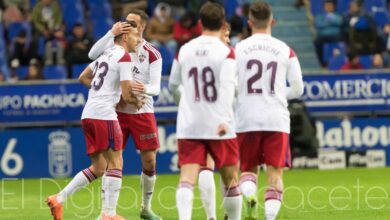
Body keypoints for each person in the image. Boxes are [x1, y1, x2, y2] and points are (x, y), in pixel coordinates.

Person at [46, 20, 142, 220]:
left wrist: (103, 94)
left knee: (99, 168)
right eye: (135, 36)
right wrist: (136, 100)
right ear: (124, 37)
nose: (138, 40)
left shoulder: (105, 55)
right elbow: (127, 93)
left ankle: (59, 198)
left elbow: (83, 77)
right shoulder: (124, 58)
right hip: (104, 115)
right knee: (116, 163)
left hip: (88, 114)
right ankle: (109, 215)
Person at [168, 2, 242, 220]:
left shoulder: (185, 50)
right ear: (221, 23)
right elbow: (229, 88)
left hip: (190, 123)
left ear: (200, 23)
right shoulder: (226, 52)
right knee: (230, 177)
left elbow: (172, 86)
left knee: (187, 177)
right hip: (219, 123)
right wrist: (224, 119)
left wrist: (185, 105)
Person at [88, 9, 163, 220]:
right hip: (117, 112)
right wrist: (110, 33)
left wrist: (142, 88)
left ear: (143, 27)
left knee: (150, 162)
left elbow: (156, 88)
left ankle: (146, 208)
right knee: (111, 162)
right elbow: (92, 55)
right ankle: (105, 213)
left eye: (132, 22)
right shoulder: (116, 45)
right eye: (125, 21)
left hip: (142, 111)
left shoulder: (152, 53)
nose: (126, 24)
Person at [235, 2, 304, 220]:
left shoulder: (237, 49)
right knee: (275, 175)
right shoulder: (286, 49)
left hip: (246, 118)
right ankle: (269, 218)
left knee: (247, 170)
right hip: (276, 119)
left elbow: (230, 85)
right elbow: (298, 89)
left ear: (249, 23)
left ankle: (249, 195)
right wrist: (276, 94)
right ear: (272, 22)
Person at [197, 23, 231, 220]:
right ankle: (228, 213)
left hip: (202, 112)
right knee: (227, 166)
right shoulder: (229, 55)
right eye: (225, 36)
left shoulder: (196, 53)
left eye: (228, 37)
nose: (227, 40)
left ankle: (212, 216)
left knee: (206, 165)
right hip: (225, 114)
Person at [31, 0, 66, 65]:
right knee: (35, 38)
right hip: (42, 29)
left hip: (54, 28)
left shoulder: (55, 5)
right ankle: (39, 58)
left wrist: (54, 28)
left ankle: (60, 59)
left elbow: (59, 18)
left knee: (60, 35)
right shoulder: (37, 7)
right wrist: (43, 30)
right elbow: (36, 21)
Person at [313, 0, 343, 66]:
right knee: (317, 42)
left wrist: (331, 19)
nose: (328, 7)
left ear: (334, 7)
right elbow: (319, 24)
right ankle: (322, 63)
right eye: (327, 6)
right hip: (323, 35)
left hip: (335, 35)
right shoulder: (319, 16)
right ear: (324, 7)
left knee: (340, 39)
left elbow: (340, 23)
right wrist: (330, 22)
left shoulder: (337, 15)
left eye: (330, 6)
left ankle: (338, 61)